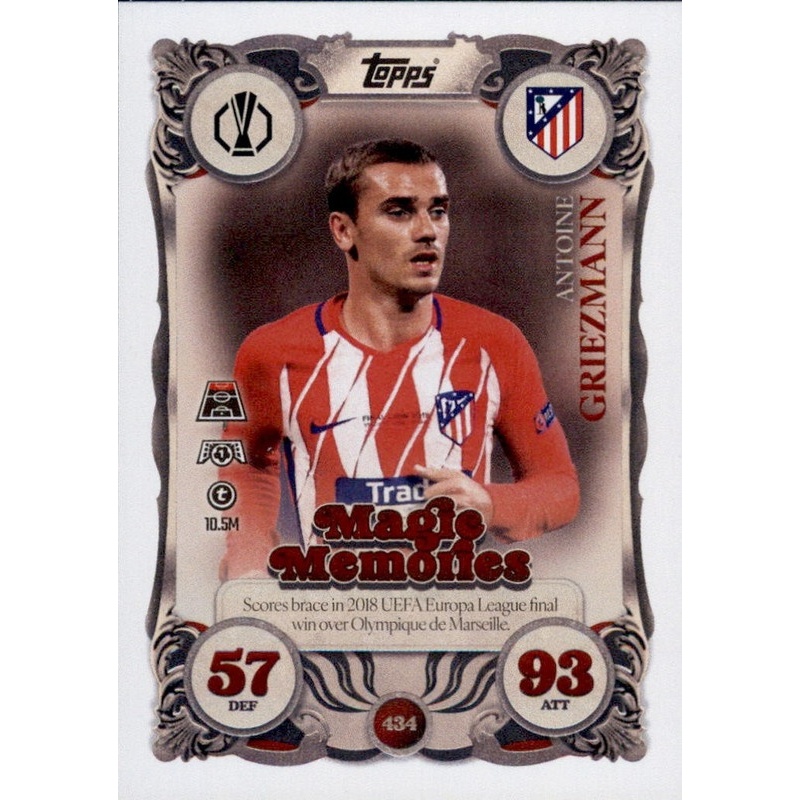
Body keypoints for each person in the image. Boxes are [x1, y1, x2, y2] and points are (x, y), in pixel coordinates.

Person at [219, 139, 579, 580]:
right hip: (330, 608)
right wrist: (249, 560)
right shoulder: (272, 352)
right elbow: (247, 463)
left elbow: (560, 487)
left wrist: (491, 504)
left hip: (458, 610)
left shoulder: (496, 343)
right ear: (343, 231)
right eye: (399, 211)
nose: (428, 230)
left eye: (438, 211)